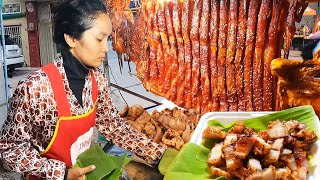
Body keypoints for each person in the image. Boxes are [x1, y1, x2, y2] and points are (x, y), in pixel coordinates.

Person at [0, 0, 166, 179]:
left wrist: (158, 153)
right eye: (99, 39)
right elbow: (9, 150)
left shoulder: (97, 80)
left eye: (107, 39)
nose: (105, 48)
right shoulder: (36, 89)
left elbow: (113, 125)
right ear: (71, 38)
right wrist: (61, 173)